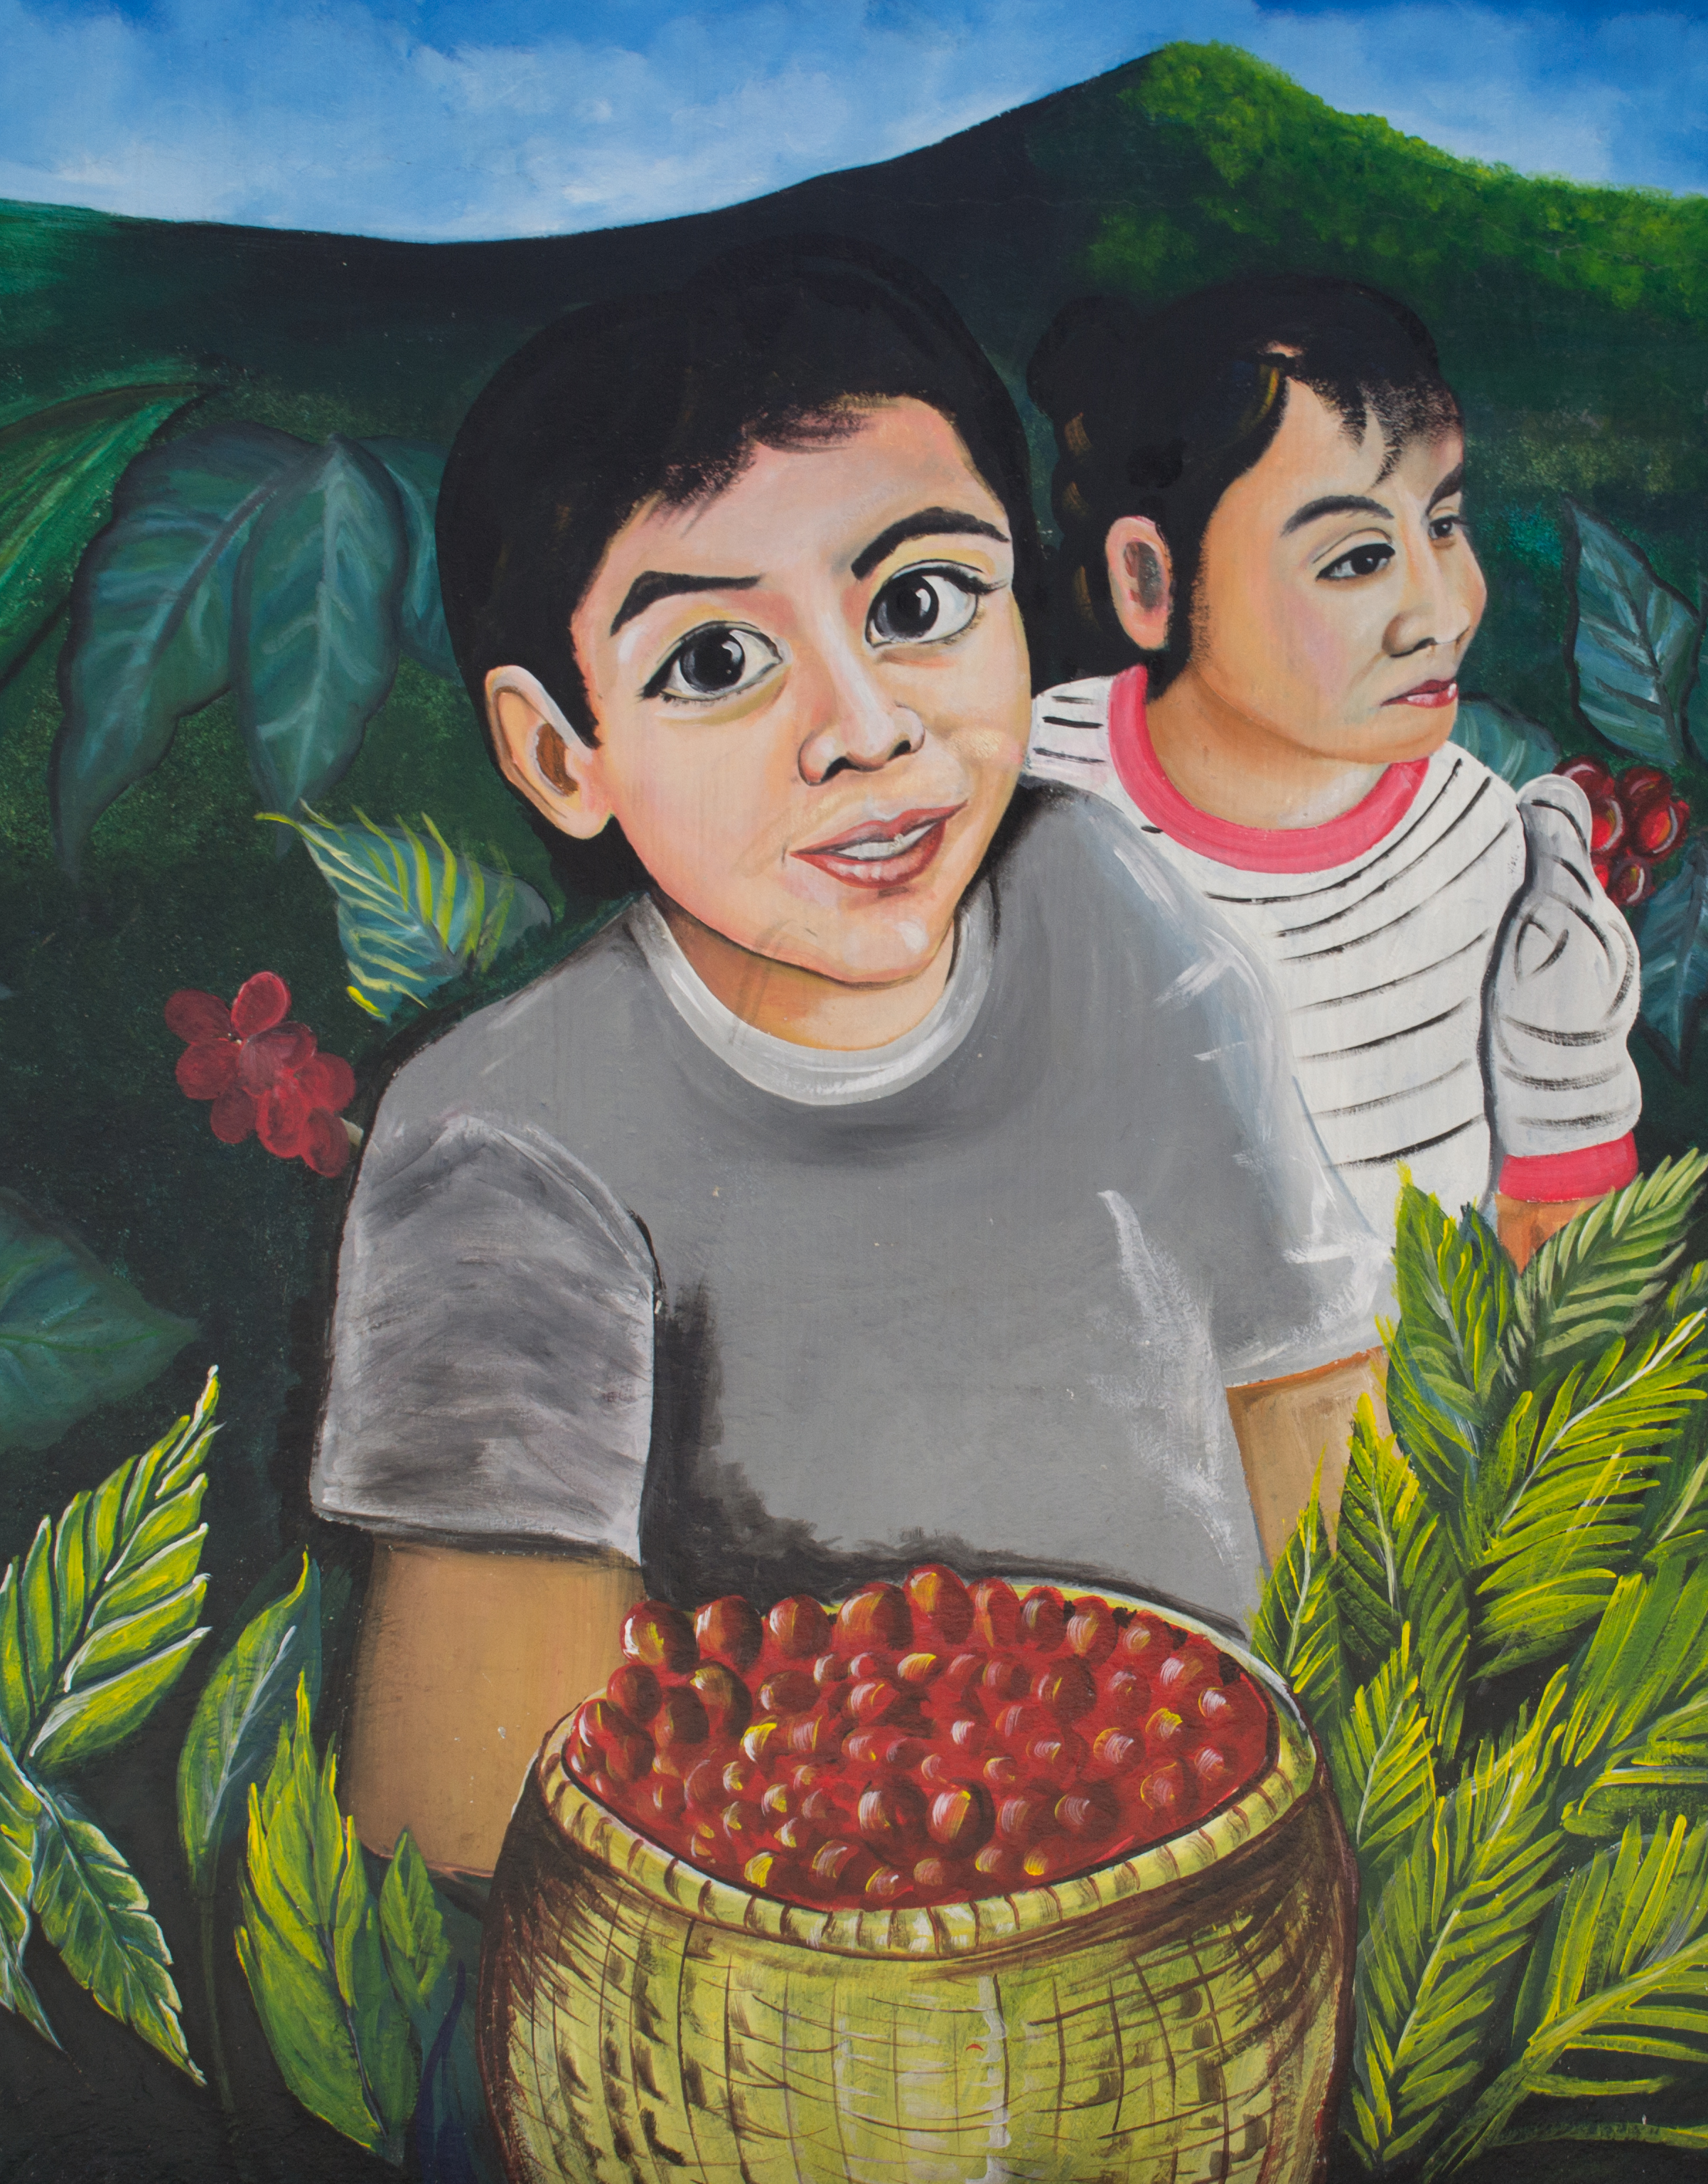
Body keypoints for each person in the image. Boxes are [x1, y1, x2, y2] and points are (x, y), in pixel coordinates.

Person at [308, 240, 1385, 1877]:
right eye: (718, 663)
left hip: (1220, 1883)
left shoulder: (1107, 907)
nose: (866, 723)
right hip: (779, 1990)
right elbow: (469, 1811)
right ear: (559, 751)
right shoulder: (510, 1139)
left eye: (920, 604)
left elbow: (1321, 1440)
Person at [1024, 277, 1643, 1260]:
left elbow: (1562, 1246)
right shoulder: (1024, 795)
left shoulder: (1476, 847)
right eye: (1356, 559)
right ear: (1151, 581)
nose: (1442, 611)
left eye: (1443, 525)